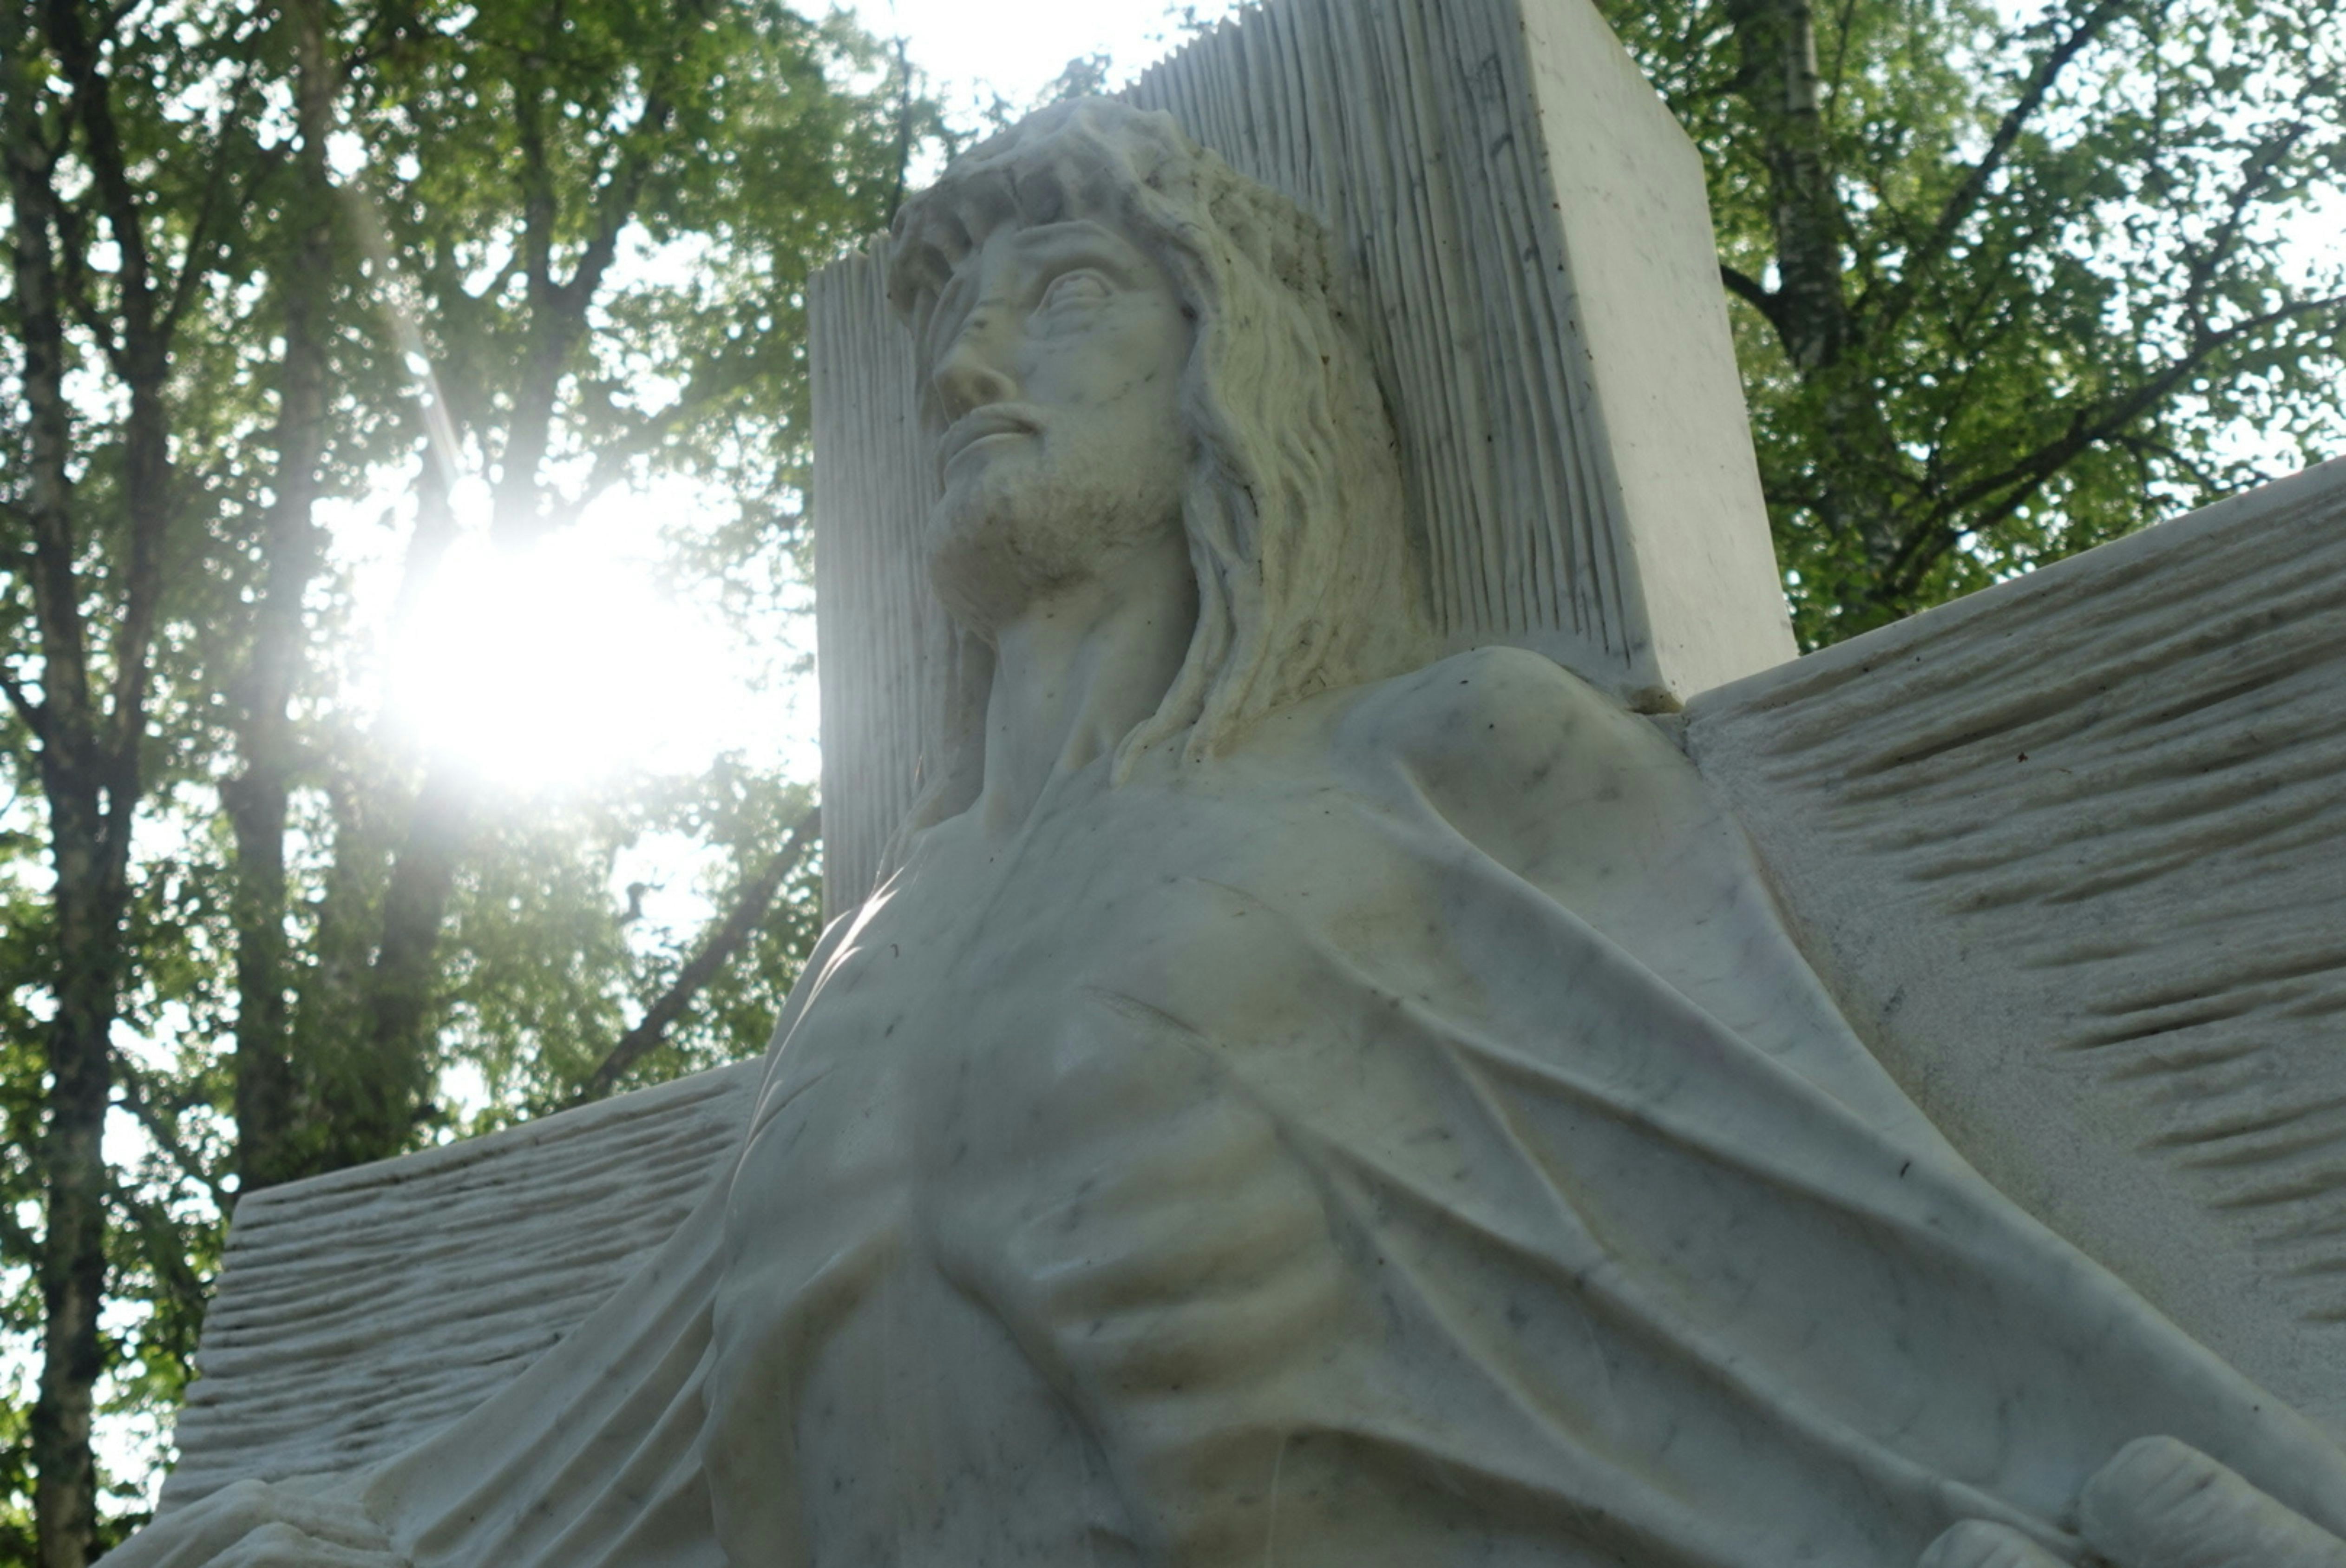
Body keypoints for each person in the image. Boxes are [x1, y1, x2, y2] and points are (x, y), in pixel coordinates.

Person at [115, 99, 2346, 1568]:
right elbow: (698, 1374)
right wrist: (378, 1530)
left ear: (1230, 375)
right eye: (957, 331)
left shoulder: (1442, 760)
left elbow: (1840, 1222)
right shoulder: (883, 938)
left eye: (1065, 298)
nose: (974, 363)